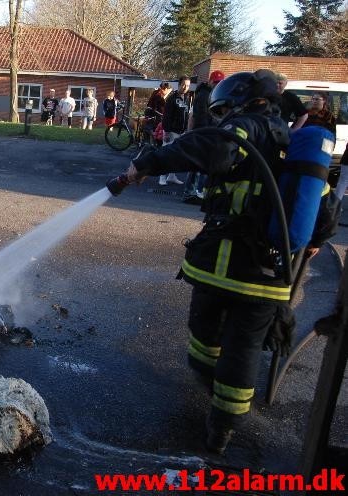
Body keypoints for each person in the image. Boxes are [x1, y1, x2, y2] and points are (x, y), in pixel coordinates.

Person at [121, 69, 339, 454]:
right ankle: (223, 427)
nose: (222, 117)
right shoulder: (294, 139)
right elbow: (323, 202)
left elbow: (208, 147)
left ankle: (214, 397)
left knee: (207, 337)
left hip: (223, 263)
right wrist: (313, 241)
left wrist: (146, 165)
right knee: (244, 349)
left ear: (242, 99)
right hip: (271, 273)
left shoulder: (247, 128)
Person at [182, 70, 225, 204]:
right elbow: (200, 116)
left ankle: (194, 191)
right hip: (203, 133)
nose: (217, 84)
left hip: (205, 132)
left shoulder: (209, 94)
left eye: (219, 82)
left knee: (199, 165)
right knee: (197, 165)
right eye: (215, 82)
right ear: (210, 81)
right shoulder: (204, 95)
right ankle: (191, 192)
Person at [159, 75, 190, 186]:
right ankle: (162, 177)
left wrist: (186, 129)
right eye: (183, 85)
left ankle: (171, 176)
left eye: (187, 86)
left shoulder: (187, 98)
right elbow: (166, 116)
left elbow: (186, 115)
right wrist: (166, 131)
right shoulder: (172, 98)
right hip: (171, 132)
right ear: (179, 85)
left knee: (177, 156)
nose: (185, 87)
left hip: (181, 132)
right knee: (166, 155)